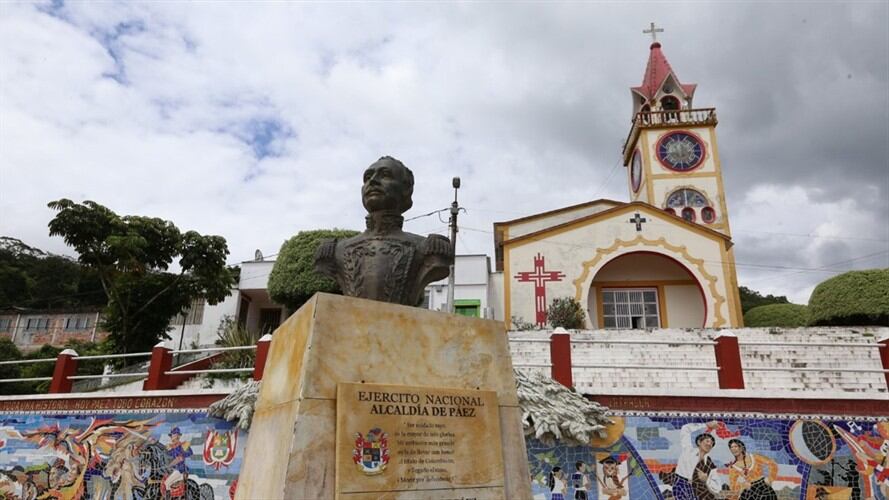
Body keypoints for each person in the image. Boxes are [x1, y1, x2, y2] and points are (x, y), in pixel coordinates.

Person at [314, 156, 453, 306]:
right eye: (367, 177)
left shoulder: (428, 248)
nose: (372, 181)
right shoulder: (335, 250)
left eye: (385, 175)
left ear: (406, 188)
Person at [672, 420, 722, 500]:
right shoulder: (688, 450)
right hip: (680, 485)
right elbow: (685, 429)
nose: (709, 444)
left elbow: (718, 487)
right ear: (699, 442)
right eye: (707, 441)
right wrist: (706, 425)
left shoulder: (710, 464)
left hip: (696, 490)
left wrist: (707, 480)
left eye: (712, 443)